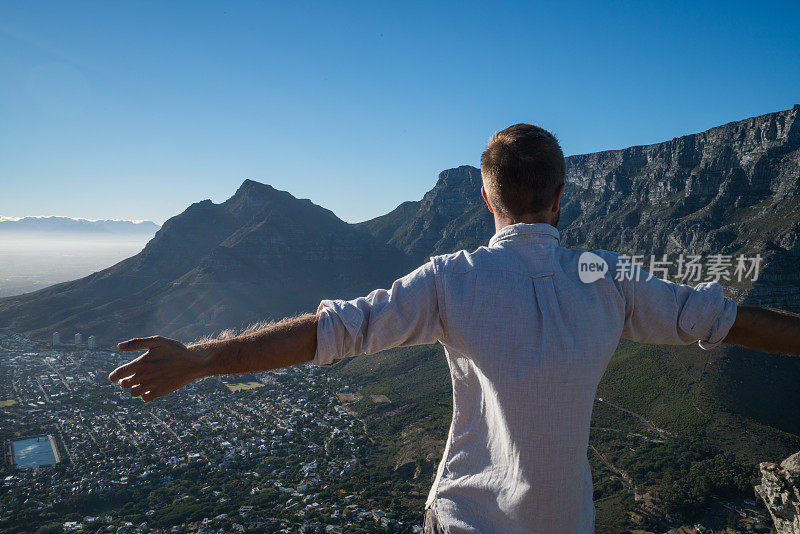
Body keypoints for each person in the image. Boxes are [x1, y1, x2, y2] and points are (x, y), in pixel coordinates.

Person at [109, 124, 800, 533]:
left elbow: (328, 332)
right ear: (560, 198)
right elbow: (729, 322)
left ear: (483, 197)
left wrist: (198, 358)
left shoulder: (451, 279)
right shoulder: (606, 275)